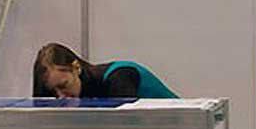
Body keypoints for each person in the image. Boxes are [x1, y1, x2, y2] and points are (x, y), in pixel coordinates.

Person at [31, 42, 178, 99]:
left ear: (76, 68)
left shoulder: (119, 78)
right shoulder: (69, 93)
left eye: (64, 86)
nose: (61, 97)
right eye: (53, 92)